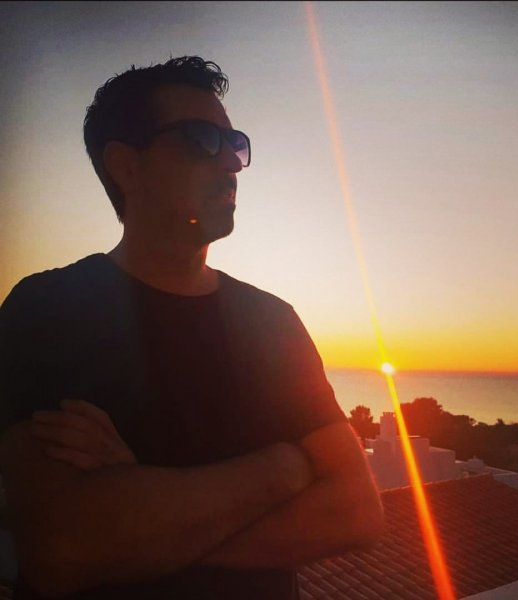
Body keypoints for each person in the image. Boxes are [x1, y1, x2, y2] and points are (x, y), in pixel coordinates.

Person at [0, 56, 383, 599]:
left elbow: (356, 512)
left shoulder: (272, 322)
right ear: (126, 166)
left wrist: (138, 511)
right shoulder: (48, 309)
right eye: (202, 140)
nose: (230, 163)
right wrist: (282, 470)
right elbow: (63, 550)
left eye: (235, 144)